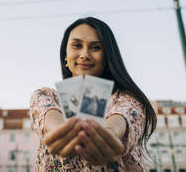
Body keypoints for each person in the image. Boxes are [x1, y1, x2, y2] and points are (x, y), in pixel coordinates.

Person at [29, 17, 156, 171]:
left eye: (96, 47)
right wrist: (59, 130)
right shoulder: (46, 95)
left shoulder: (127, 99)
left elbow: (123, 117)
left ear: (108, 56)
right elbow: (48, 115)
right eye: (77, 45)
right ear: (65, 56)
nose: (85, 54)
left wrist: (110, 133)